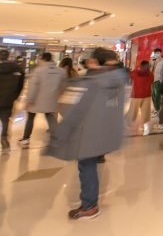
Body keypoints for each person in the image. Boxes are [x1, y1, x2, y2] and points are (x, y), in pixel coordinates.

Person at [46, 48, 127, 220]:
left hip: (88, 133)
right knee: (90, 165)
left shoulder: (93, 82)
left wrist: (60, 134)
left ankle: (89, 206)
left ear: (95, 62)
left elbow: (75, 112)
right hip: (106, 132)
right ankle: (90, 204)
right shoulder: (119, 78)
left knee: (86, 167)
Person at [18, 52, 66, 149]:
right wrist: (58, 95)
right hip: (51, 99)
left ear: (43, 59)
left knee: (30, 118)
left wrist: (29, 100)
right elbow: (63, 85)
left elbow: (33, 87)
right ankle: (56, 140)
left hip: (36, 100)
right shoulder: (60, 71)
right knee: (51, 118)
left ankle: (25, 140)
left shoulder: (38, 71)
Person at [0, 50, 24, 151]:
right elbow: (21, 84)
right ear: (8, 56)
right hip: (8, 99)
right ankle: (4, 139)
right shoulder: (16, 68)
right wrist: (15, 96)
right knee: (6, 120)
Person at [126, 60, 153, 135]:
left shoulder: (135, 73)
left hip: (136, 95)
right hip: (147, 95)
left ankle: (128, 124)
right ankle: (146, 128)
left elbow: (130, 75)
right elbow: (152, 81)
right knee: (146, 112)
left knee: (133, 111)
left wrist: (136, 68)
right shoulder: (150, 74)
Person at [150, 48, 163, 117]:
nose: (157, 54)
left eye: (158, 53)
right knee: (153, 96)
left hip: (159, 80)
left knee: (157, 96)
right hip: (152, 80)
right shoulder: (153, 61)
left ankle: (157, 111)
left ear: (160, 53)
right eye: (155, 53)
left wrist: (162, 80)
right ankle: (156, 109)